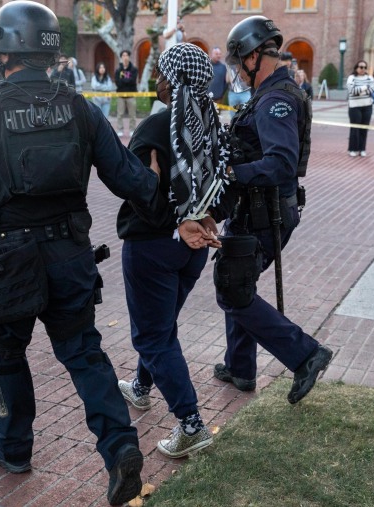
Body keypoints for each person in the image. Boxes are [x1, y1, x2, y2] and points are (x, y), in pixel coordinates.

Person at [0, 2, 162, 504]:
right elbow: (129, 177)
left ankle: (12, 446)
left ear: (4, 50)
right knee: (84, 354)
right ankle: (121, 447)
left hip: (2, 265)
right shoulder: (81, 109)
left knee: (5, 355)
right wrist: (173, 205)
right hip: (70, 255)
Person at [197, 15, 332, 403]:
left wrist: (230, 171)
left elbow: (281, 163)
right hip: (255, 208)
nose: (238, 71)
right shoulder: (270, 92)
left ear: (257, 55)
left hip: (265, 212)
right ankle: (241, 368)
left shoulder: (276, 99)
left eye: (240, 63)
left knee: (233, 288)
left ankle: (306, 354)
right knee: (237, 279)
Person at [116, 42, 229, 459]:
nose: (157, 79)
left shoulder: (155, 128)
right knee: (161, 326)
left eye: (162, 72)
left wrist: (176, 219)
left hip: (153, 245)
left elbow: (136, 189)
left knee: (152, 334)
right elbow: (224, 184)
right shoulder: (213, 125)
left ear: (170, 80)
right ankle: (142, 387)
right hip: (194, 247)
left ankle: (191, 423)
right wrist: (203, 216)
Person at [346, 60, 374, 157]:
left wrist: (360, 89)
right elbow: (352, 91)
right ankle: (352, 149)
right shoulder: (351, 78)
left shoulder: (370, 78)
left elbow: (372, 90)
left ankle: (362, 149)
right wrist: (366, 87)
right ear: (356, 68)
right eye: (361, 67)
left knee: (364, 128)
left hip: (367, 106)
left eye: (365, 67)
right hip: (354, 106)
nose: (363, 69)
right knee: (355, 128)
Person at [115, 49, 138, 136]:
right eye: (123, 56)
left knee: (132, 114)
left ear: (129, 57)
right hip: (120, 94)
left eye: (126, 55)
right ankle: (120, 129)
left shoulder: (133, 69)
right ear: (121, 57)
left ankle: (132, 129)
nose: (125, 57)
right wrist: (126, 80)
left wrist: (123, 80)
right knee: (120, 114)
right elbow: (117, 82)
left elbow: (133, 81)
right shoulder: (118, 70)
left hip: (131, 94)